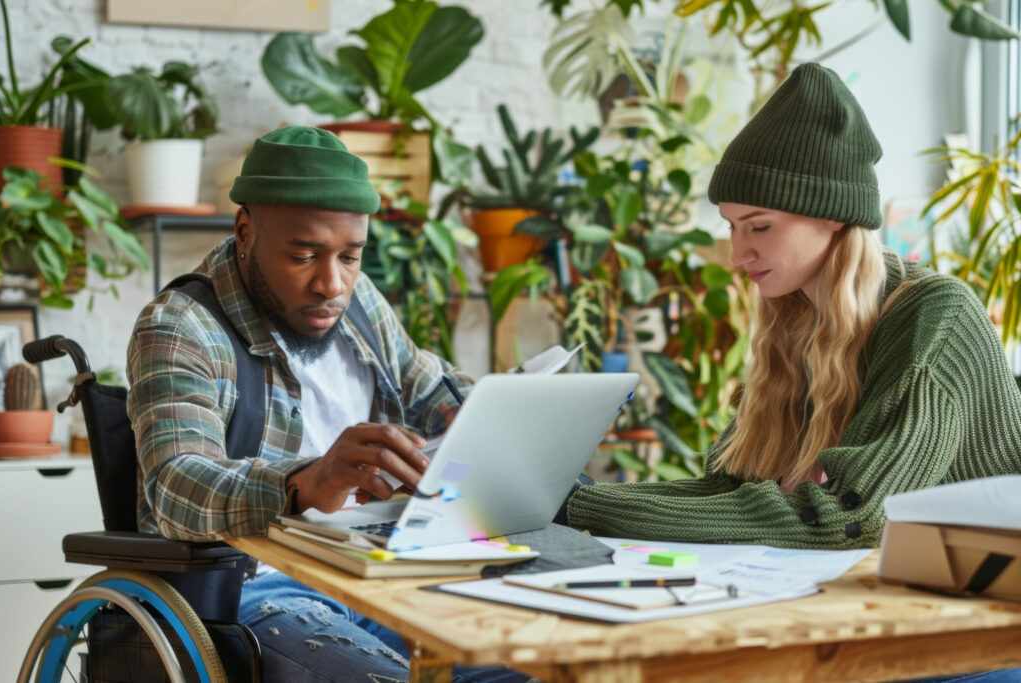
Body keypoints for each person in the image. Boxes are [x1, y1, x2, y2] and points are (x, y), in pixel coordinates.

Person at [559, 61, 1021, 682]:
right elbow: (727, 492)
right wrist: (574, 501)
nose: (737, 253)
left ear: (832, 216)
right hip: (874, 616)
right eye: (730, 226)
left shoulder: (935, 315)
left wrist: (582, 508)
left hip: (976, 637)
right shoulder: (796, 324)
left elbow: (847, 517)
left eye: (760, 227)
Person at [127, 126, 526, 682]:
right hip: (258, 589)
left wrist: (490, 414)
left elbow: (435, 390)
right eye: (304, 255)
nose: (331, 284)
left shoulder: (357, 301)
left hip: (381, 572)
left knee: (533, 668)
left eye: (350, 256)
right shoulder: (180, 328)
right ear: (245, 231)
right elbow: (175, 484)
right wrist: (305, 482)